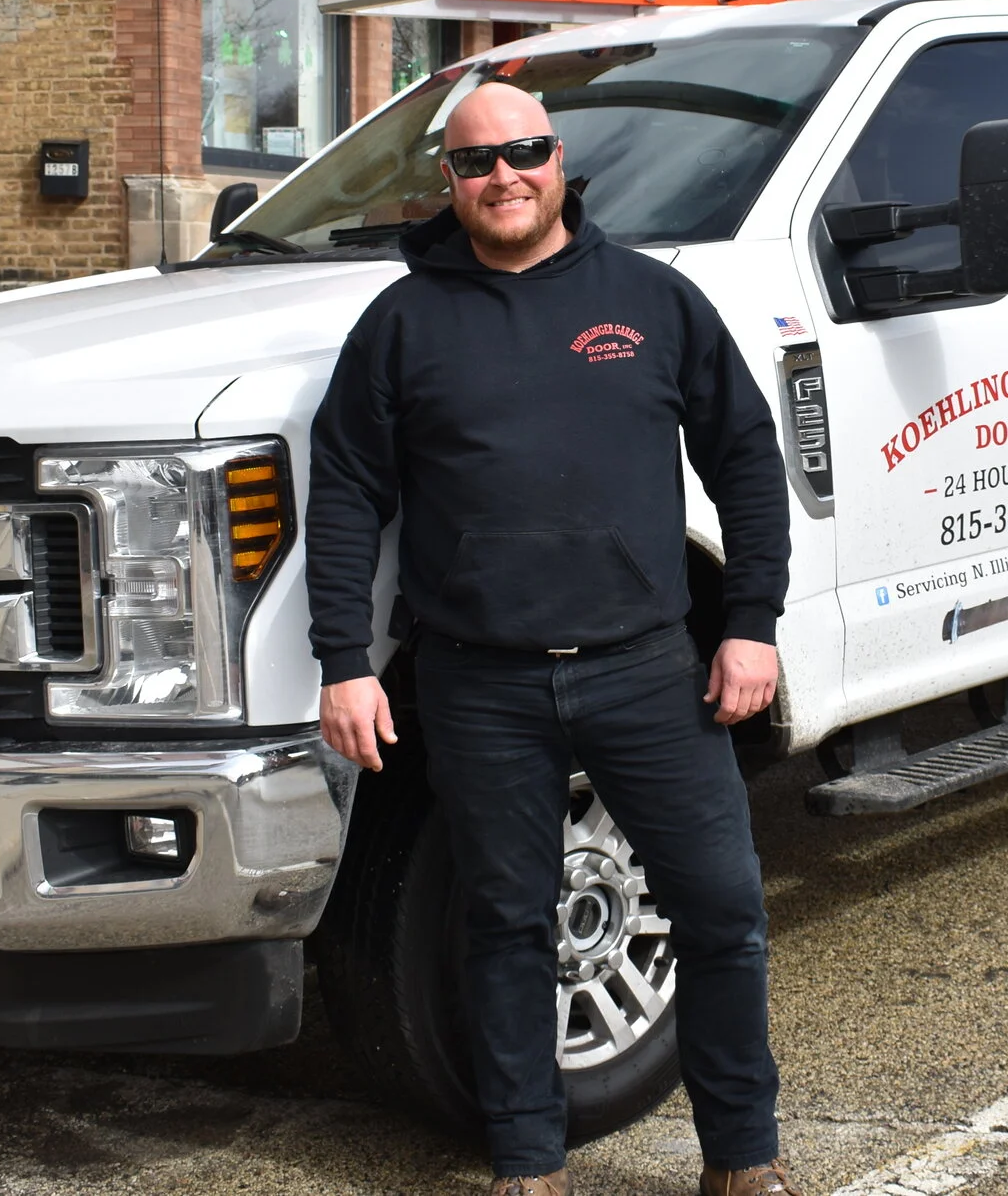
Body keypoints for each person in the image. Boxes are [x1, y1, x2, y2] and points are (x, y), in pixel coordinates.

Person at [305, 82, 799, 1196]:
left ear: (560, 159)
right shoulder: (401, 322)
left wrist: (751, 623)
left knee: (722, 912)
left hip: (646, 671)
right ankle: (528, 1164)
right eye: (477, 161)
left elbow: (745, 461)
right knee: (505, 926)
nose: (503, 176)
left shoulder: (652, 300)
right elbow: (343, 493)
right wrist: (343, 657)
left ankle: (742, 1158)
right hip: (479, 685)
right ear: (448, 180)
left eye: (524, 151)